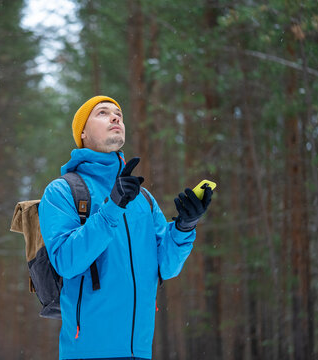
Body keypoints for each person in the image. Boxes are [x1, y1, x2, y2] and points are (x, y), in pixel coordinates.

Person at [38, 95, 213, 360]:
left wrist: (184, 227)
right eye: (102, 112)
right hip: (88, 352)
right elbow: (66, 261)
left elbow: (166, 267)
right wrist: (112, 207)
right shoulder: (62, 191)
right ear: (82, 132)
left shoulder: (142, 199)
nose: (115, 116)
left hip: (140, 351)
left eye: (118, 112)